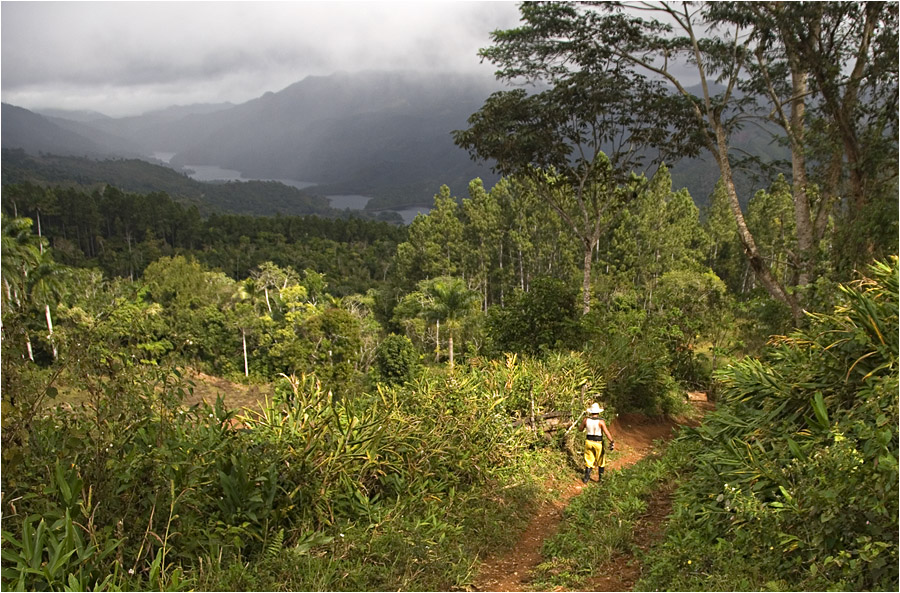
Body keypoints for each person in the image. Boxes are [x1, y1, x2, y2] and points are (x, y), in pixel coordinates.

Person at [578, 402, 614, 483]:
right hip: (598, 443)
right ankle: (601, 479)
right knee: (601, 461)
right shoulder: (601, 422)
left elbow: (580, 429)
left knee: (589, 460)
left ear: (591, 412)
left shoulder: (586, 420)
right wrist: (611, 441)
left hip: (588, 442)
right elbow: (606, 432)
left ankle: (586, 479)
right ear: (598, 412)